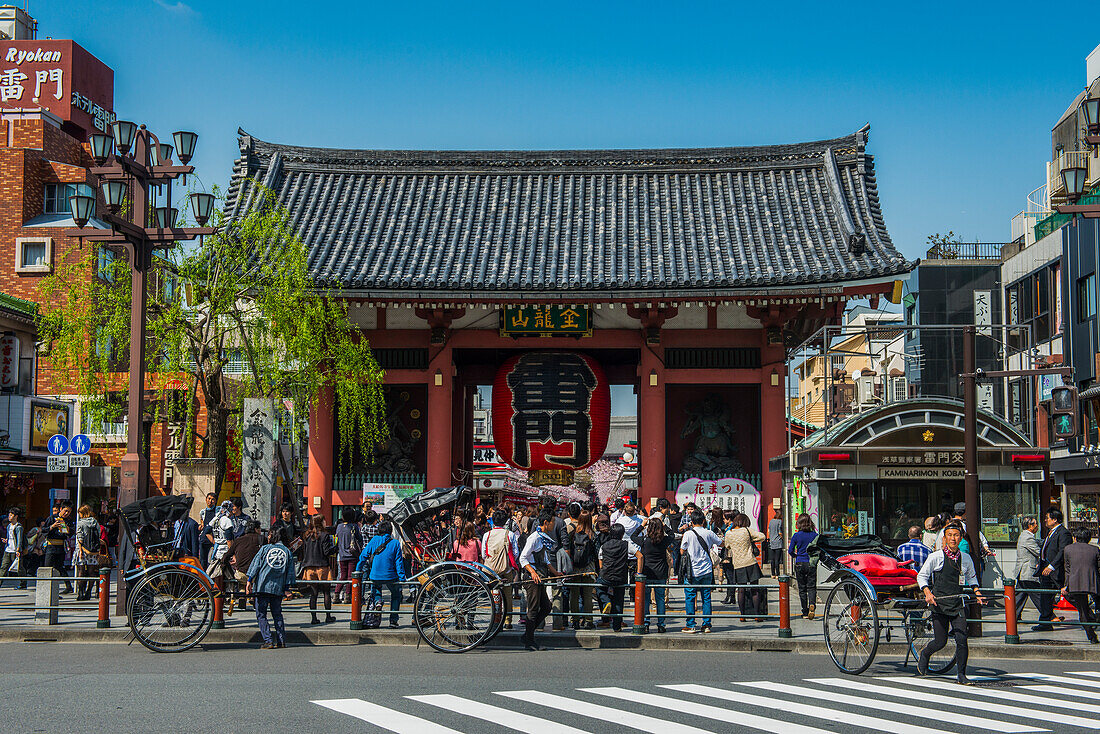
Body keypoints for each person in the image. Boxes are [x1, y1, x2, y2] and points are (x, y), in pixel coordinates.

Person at [916, 521, 985, 684]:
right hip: (939, 603)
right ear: (945, 538)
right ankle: (925, 654)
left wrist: (977, 593)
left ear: (961, 538)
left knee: (962, 639)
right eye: (950, 535)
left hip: (957, 604)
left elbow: (972, 578)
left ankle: (961, 674)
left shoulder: (966, 558)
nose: (953, 538)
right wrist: (927, 593)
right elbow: (921, 576)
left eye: (956, 535)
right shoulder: (936, 557)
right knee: (941, 642)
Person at [246, 532, 297, 649]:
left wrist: (249, 580)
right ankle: (281, 640)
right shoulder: (287, 552)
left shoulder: (265, 549)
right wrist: (287, 589)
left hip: (262, 586)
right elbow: (290, 573)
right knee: (277, 614)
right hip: (278, 587)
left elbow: (256, 565)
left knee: (261, 614)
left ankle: (268, 640)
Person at [518, 511, 559, 650]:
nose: (554, 524)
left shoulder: (543, 537)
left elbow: (545, 559)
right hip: (532, 579)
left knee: (547, 607)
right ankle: (529, 641)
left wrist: (555, 573)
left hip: (540, 576)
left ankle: (527, 634)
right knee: (533, 609)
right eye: (552, 521)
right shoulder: (534, 538)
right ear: (546, 523)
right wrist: (533, 572)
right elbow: (523, 558)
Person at [356, 520, 406, 628]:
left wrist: (358, 570)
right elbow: (398, 562)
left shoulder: (374, 540)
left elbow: (364, 555)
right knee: (396, 595)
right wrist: (402, 577)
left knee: (376, 588)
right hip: (390, 575)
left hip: (375, 574)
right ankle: (393, 621)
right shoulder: (395, 543)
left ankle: (378, 601)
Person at [680, 509, 722, 633]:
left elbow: (682, 550)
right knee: (706, 597)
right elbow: (721, 543)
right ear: (704, 521)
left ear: (692, 522)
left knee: (690, 598)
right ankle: (707, 625)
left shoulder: (688, 534)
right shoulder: (709, 533)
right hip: (707, 569)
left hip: (691, 570)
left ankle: (691, 624)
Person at [633, 516, 674, 632]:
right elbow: (672, 535)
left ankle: (646, 623)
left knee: (646, 600)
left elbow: (633, 536)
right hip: (661, 573)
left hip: (647, 572)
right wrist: (664, 525)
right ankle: (661, 624)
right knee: (660, 599)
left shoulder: (645, 541)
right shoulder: (664, 540)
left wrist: (642, 525)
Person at [1034, 507, 1072, 632]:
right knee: (1045, 596)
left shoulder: (1063, 533)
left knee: (1069, 596)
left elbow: (1062, 551)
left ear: (1055, 519)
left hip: (1056, 571)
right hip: (1046, 570)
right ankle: (1045, 622)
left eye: (1047, 518)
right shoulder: (1050, 532)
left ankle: (1090, 618)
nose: (1045, 521)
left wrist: (1052, 566)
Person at [724, 513, 766, 621]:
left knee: (741, 590)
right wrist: (751, 540)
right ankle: (757, 615)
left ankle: (742, 616)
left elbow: (727, 545)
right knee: (755, 590)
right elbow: (762, 536)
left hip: (738, 564)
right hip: (750, 562)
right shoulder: (746, 531)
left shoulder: (729, 533)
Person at [1062, 526, 1100, 644]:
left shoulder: (1068, 549)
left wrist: (1066, 585)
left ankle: (1091, 635)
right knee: (1098, 603)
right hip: (1093, 582)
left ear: (1075, 537)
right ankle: (1096, 617)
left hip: (1075, 583)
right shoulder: (1095, 549)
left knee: (1082, 611)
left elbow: (1067, 569)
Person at [482, 509, 518, 630]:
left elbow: (483, 554)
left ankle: (496, 619)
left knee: (493, 594)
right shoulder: (510, 534)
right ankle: (508, 620)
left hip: (490, 570)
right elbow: (515, 553)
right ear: (505, 521)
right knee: (507, 595)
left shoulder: (487, 535)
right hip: (506, 570)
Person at [300, 515, 337, 624]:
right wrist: (336, 547)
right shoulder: (324, 535)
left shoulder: (307, 535)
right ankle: (328, 616)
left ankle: (314, 618)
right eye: (324, 520)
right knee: (326, 592)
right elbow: (326, 552)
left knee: (313, 593)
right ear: (321, 522)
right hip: (322, 566)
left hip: (309, 566)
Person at [223, 520, 263, 614]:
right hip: (256, 576)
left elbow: (226, 555)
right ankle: (252, 597)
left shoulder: (238, 540)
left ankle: (242, 595)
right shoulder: (261, 539)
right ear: (256, 529)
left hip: (240, 574)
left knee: (242, 576)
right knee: (254, 573)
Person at [596, 524, 630, 631]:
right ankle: (617, 626)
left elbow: (600, 562)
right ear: (622, 534)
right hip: (620, 577)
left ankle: (606, 601)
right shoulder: (626, 545)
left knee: (598, 587)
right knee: (619, 600)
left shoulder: (604, 546)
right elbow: (640, 555)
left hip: (606, 576)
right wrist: (638, 572)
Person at [568, 510, 597, 630]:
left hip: (575, 568)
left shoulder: (573, 534)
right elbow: (596, 552)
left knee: (574, 595)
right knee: (587, 595)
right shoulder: (592, 534)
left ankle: (575, 620)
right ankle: (588, 620)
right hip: (588, 568)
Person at [788, 514, 819, 619]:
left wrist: (795, 556)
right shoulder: (814, 535)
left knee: (802, 589)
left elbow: (790, 551)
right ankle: (812, 604)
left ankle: (805, 612)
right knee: (811, 586)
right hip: (811, 563)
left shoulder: (796, 536)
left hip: (800, 563)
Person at [1013, 516, 1041, 621]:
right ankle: (1049, 616)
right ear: (1030, 526)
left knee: (1020, 595)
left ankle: (1014, 616)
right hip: (1027, 571)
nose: (1037, 526)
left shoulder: (1024, 535)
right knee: (1037, 595)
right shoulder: (1028, 537)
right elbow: (1038, 551)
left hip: (1022, 571)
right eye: (1035, 524)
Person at [73, 505, 102, 601]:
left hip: (83, 550)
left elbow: (80, 538)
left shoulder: (81, 523)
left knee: (81, 571)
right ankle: (89, 592)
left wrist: (80, 551)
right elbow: (99, 536)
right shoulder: (95, 522)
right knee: (91, 571)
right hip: (93, 550)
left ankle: (80, 592)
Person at [43, 502, 73, 594]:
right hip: (51, 546)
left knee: (60, 567)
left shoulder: (68, 521)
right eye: (65, 511)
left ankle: (68, 586)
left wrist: (66, 527)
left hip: (60, 547)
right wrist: (52, 526)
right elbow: (43, 530)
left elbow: (71, 532)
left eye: (69, 512)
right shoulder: (51, 518)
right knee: (48, 567)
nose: (66, 513)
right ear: (61, 509)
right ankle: (47, 590)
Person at [335, 508, 363, 604]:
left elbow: (336, 539)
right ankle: (347, 596)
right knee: (350, 577)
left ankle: (336, 594)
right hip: (352, 555)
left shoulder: (339, 527)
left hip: (342, 555)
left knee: (342, 576)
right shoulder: (354, 526)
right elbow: (360, 539)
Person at [204, 501, 236, 580]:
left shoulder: (215, 519)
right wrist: (232, 553)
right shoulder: (226, 521)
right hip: (225, 551)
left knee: (217, 575)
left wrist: (215, 542)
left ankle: (218, 591)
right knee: (228, 576)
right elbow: (229, 540)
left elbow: (207, 532)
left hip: (216, 550)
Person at [1, 508, 24, 589]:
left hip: (15, 550)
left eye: (11, 515)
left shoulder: (18, 527)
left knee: (19, 568)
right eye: (9, 515)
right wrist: (6, 540)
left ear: (16, 516)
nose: (9, 517)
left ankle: (23, 584)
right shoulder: (8, 526)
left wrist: (18, 550)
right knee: (3, 567)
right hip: (8, 549)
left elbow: (19, 539)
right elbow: (10, 537)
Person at [198, 492, 218, 568]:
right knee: (203, 560)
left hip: (213, 539)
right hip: (203, 538)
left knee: (211, 560)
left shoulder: (217, 511)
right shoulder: (202, 512)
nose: (210, 501)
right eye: (209, 498)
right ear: (206, 499)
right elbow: (202, 523)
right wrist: (201, 526)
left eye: (213, 499)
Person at [767, 510, 784, 578]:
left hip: (771, 542)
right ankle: (777, 574)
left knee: (772, 560)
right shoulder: (779, 521)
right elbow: (780, 532)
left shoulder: (771, 521)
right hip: (778, 542)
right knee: (777, 559)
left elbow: (768, 531)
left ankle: (772, 574)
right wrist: (783, 537)